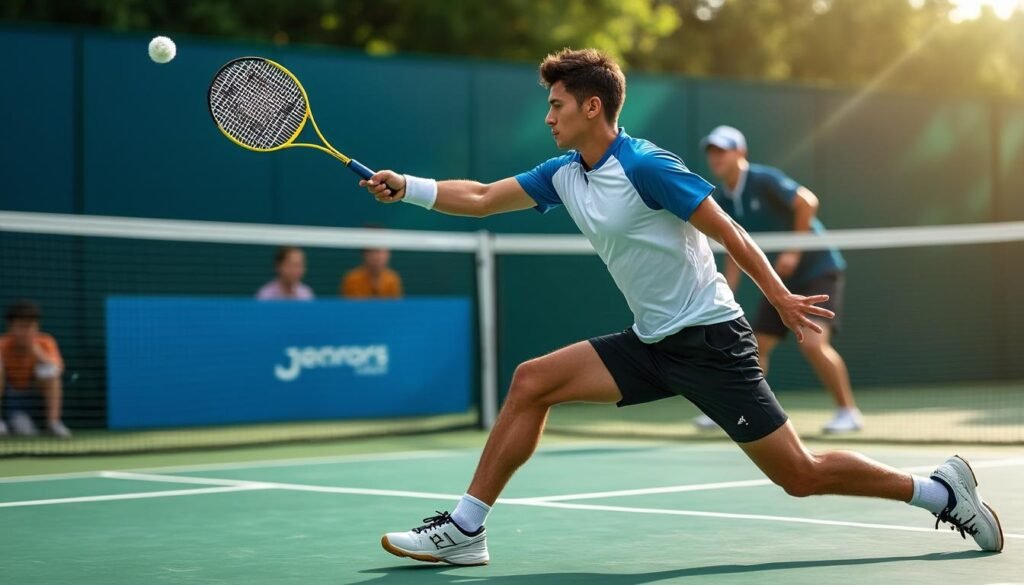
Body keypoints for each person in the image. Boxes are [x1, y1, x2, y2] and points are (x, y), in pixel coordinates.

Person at [359, 48, 1002, 565]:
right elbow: (476, 197)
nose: (549, 117)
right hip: (651, 343)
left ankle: (940, 493)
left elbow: (728, 231)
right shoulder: (563, 174)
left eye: (556, 105)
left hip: (710, 340)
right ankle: (466, 529)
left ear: (592, 106)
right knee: (532, 381)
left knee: (799, 476)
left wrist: (776, 294)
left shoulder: (645, 166)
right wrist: (408, 186)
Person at [698, 125, 861, 434]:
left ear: (740, 153)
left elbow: (807, 202)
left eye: (723, 150)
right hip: (780, 283)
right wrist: (726, 292)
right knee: (756, 347)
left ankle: (848, 411)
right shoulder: (723, 198)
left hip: (817, 270)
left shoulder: (763, 179)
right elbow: (734, 246)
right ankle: (739, 412)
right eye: (712, 152)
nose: (716, 157)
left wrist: (794, 251)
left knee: (813, 344)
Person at [0, 300, 72, 438]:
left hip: (35, 394)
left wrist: (35, 351)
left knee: (50, 370)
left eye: (30, 326)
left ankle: (53, 423)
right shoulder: (2, 344)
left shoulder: (46, 342)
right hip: (10, 397)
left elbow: (58, 370)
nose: (26, 332)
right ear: (10, 327)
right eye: (21, 327)